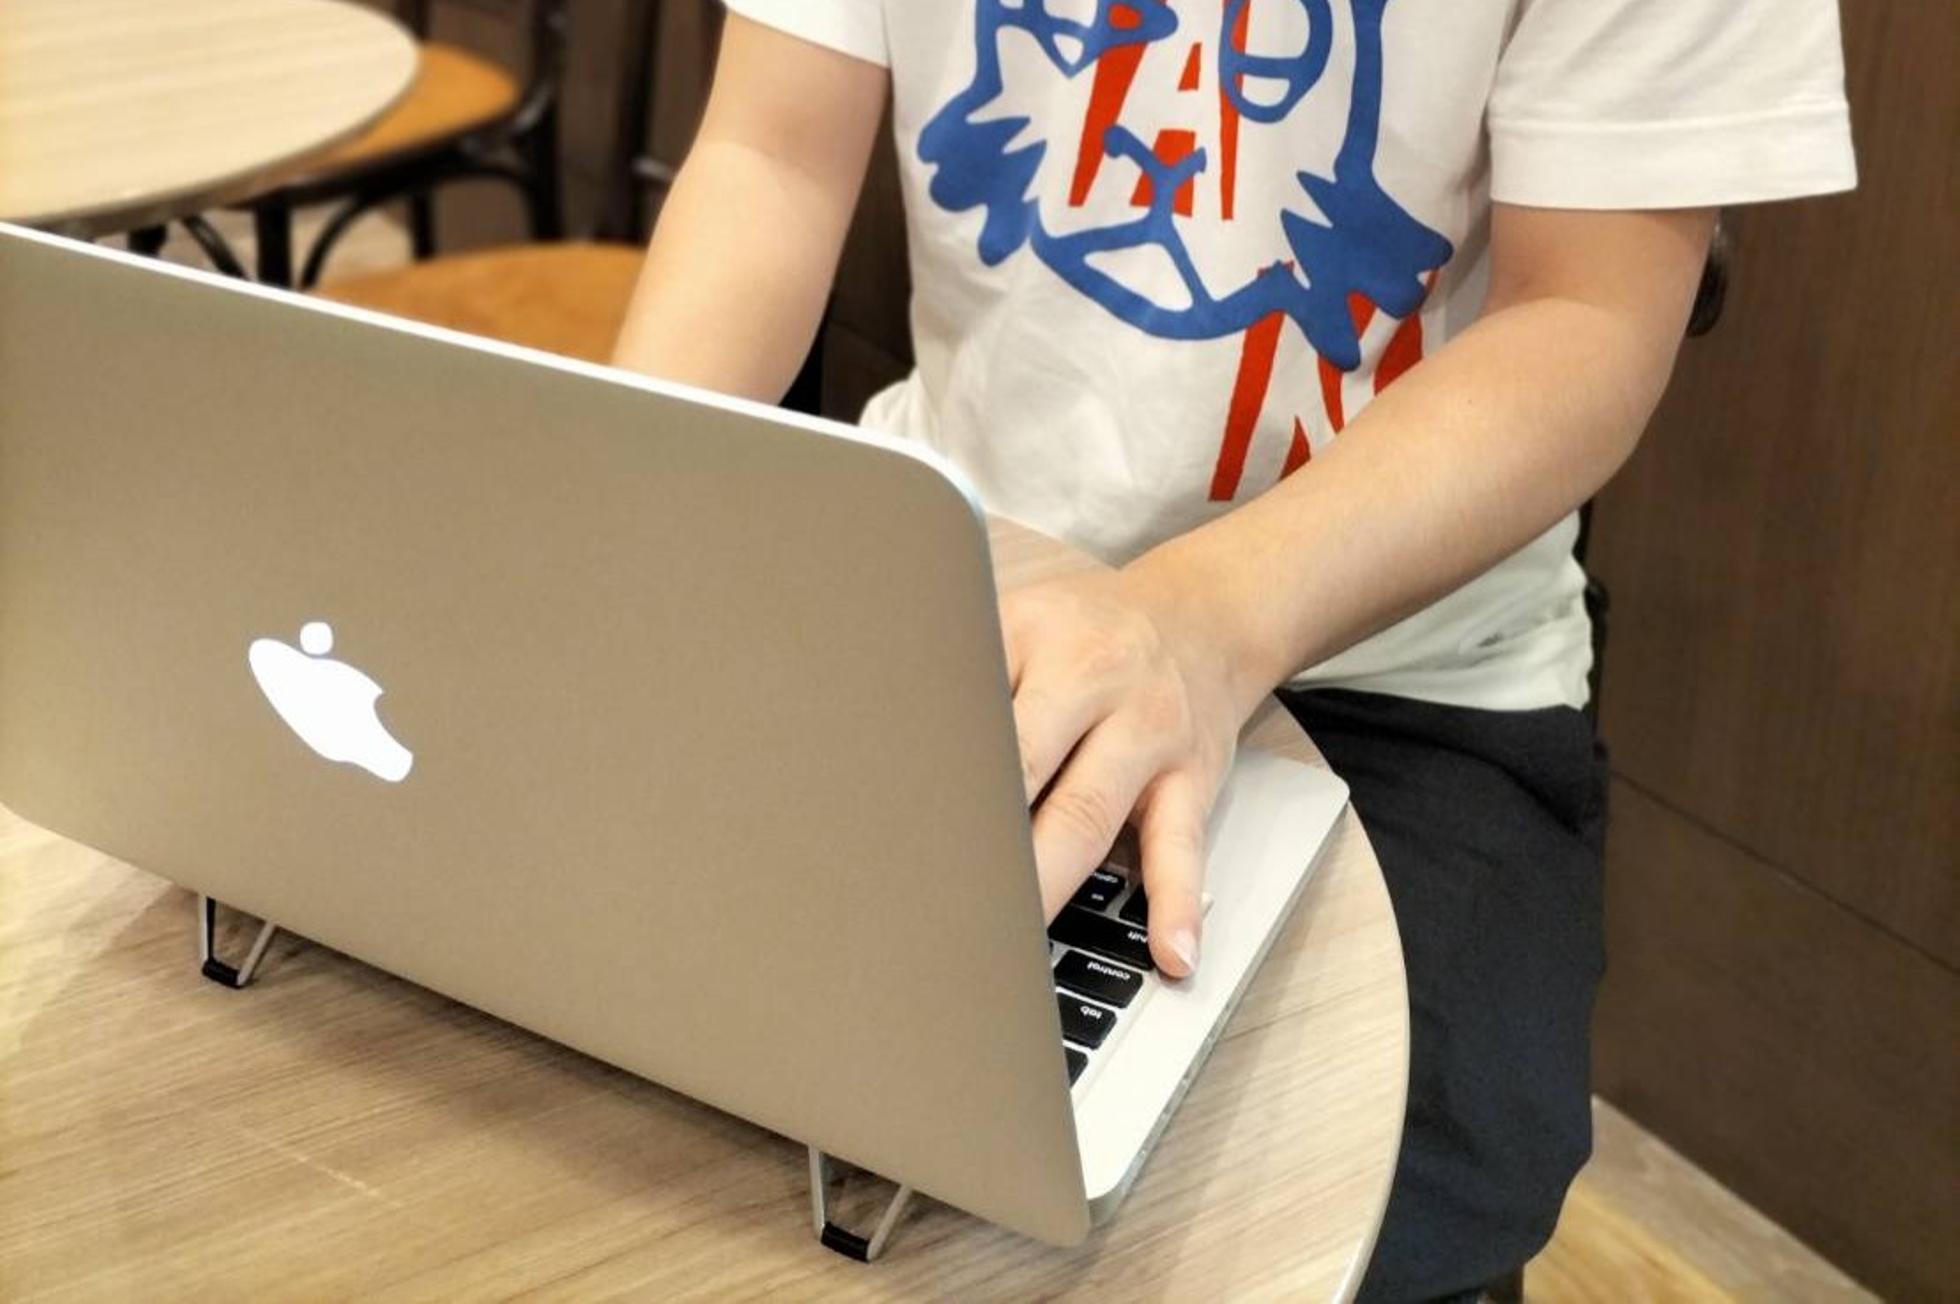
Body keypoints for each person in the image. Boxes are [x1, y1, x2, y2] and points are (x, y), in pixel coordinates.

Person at [611, 2, 1856, 1297]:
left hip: (1398, 665)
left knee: (1342, 1231)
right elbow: (770, 158)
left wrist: (1192, 623)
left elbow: (1587, 314)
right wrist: (625, 523)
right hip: (945, 566)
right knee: (649, 1103)